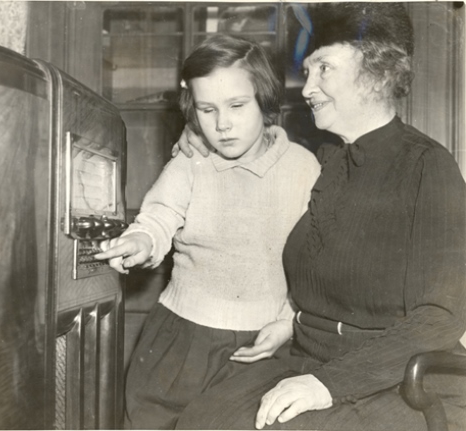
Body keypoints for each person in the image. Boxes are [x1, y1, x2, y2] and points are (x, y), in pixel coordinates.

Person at [173, 3, 466, 431]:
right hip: (312, 362)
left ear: (378, 70)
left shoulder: (428, 167)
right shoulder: (329, 162)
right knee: (202, 418)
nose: (307, 88)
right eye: (307, 71)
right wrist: (195, 135)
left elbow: (440, 317)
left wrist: (326, 385)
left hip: (395, 380)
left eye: (323, 68)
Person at [95, 34, 321, 429]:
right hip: (181, 339)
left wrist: (288, 321)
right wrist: (140, 240)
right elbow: (160, 216)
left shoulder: (303, 168)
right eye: (207, 109)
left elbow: (315, 260)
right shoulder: (190, 163)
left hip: (264, 344)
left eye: (237, 105)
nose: (222, 125)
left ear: (264, 100)